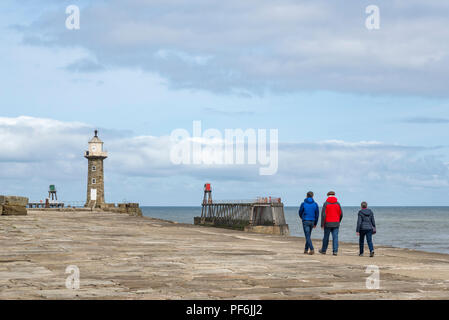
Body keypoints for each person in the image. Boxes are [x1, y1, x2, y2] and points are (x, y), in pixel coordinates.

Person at [319, 191, 343, 256]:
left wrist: (322, 224)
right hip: (336, 223)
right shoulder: (338, 203)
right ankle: (335, 251)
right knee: (335, 237)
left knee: (326, 237)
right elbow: (341, 214)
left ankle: (324, 250)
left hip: (327, 223)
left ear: (328, 195)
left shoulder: (326, 203)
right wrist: (338, 221)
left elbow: (323, 215)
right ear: (334, 195)